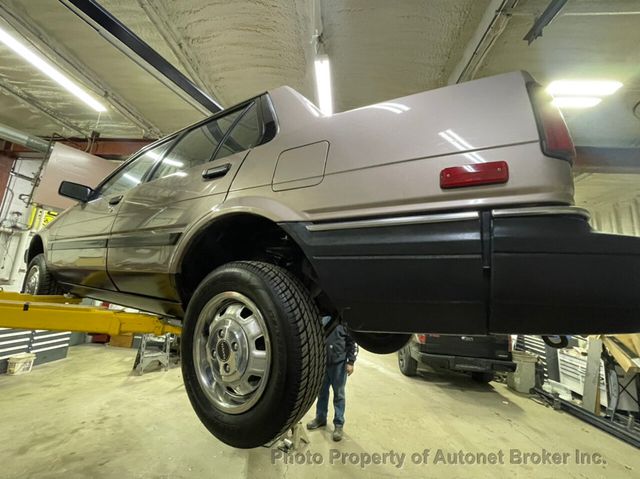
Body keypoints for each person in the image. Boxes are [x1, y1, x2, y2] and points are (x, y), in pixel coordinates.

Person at [306, 317, 358, 441]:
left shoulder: (345, 324)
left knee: (339, 395)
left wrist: (350, 362)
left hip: (339, 366)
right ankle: (320, 418)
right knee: (322, 393)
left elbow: (352, 343)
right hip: (323, 364)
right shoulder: (323, 319)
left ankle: (338, 424)